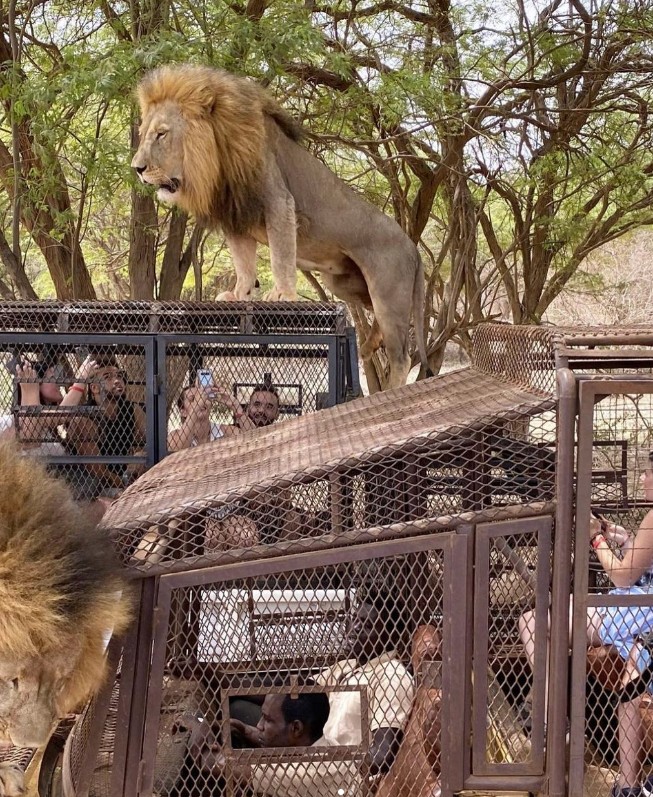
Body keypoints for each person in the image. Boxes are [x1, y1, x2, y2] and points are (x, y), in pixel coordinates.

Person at [195, 592, 414, 797]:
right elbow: (293, 697)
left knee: (222, 764)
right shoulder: (347, 666)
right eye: (354, 619)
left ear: (390, 634)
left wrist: (327, 769)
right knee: (240, 709)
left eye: (366, 625)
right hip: (316, 753)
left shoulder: (392, 676)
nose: (354, 628)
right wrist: (223, 683)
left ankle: (197, 737)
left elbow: (383, 751)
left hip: (340, 775)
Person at [519, 469, 653, 797]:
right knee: (630, 687)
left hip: (637, 609)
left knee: (532, 622)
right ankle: (627, 785)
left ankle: (552, 718)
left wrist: (596, 539)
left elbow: (623, 576)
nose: (643, 478)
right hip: (643, 614)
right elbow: (642, 553)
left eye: (648, 472)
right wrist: (612, 533)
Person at [65, 354, 147, 498]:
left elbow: (150, 442)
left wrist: (140, 457)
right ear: (95, 388)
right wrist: (128, 485)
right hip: (90, 486)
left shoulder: (133, 410)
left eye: (119, 376)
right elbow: (97, 471)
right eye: (108, 377)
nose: (117, 381)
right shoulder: (83, 419)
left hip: (125, 480)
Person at [0, 354, 97, 456]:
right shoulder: (9, 422)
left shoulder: (47, 424)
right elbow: (62, 414)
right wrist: (81, 377)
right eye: (52, 378)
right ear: (37, 383)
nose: (58, 383)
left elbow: (61, 414)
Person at [167, 384, 224, 452]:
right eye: (193, 399)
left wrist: (235, 405)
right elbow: (176, 451)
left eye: (204, 397)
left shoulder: (224, 431)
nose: (201, 401)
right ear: (183, 412)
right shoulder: (174, 436)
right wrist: (196, 406)